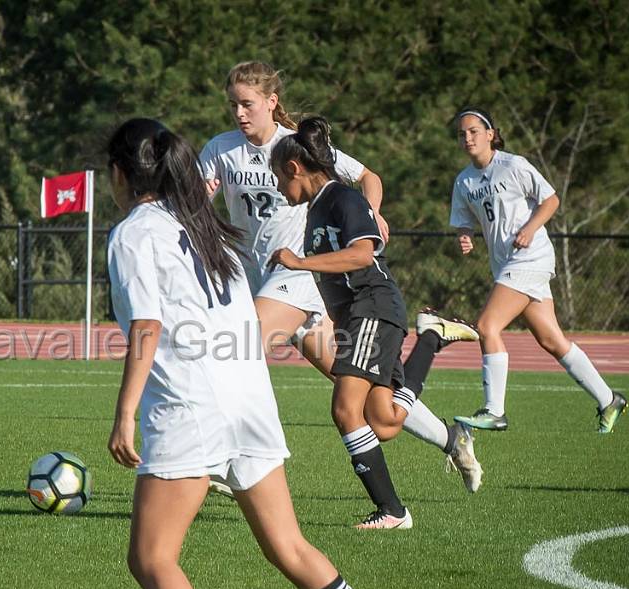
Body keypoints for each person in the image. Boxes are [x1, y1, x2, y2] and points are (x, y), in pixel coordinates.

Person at [106, 117, 406, 589]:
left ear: (120, 174)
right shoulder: (205, 226)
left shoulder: (134, 233)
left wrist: (125, 414)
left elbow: (147, 324)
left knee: (151, 559)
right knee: (289, 548)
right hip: (251, 399)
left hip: (192, 406)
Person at [199, 61, 479, 492]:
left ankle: (233, 459)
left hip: (299, 278)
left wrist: (372, 213)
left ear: (272, 102)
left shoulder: (298, 146)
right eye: (233, 104)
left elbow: (368, 176)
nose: (239, 113)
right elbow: (198, 200)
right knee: (366, 395)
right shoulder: (220, 148)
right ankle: (452, 439)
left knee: (241, 346)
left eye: (248, 104)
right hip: (257, 280)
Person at [266, 116, 480, 529]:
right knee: (384, 421)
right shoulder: (315, 208)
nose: (277, 187)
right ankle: (431, 338)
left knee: (346, 409)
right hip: (359, 316)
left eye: (278, 177)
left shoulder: (343, 199)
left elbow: (363, 255)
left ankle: (393, 512)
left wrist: (300, 262)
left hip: (373, 306)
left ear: (294, 169)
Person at [449, 108, 628, 433]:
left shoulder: (513, 165)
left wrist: (530, 228)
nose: (468, 138)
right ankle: (608, 399)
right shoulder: (464, 181)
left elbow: (550, 200)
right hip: (505, 265)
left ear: (491, 134)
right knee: (551, 339)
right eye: (462, 134)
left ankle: (494, 410)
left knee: (487, 326)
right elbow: (463, 219)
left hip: (530, 258)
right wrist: (465, 235)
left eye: (474, 131)